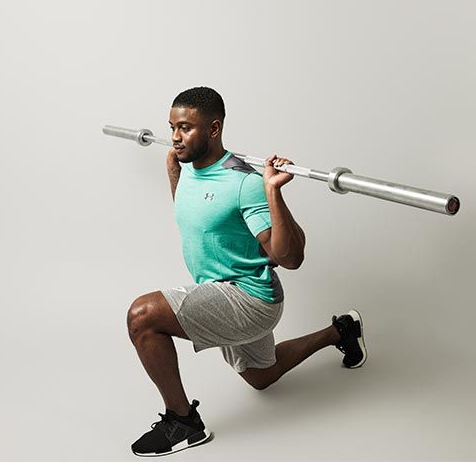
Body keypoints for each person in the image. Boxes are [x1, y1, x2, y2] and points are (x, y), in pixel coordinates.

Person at [125, 87, 366, 457]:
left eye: (186, 128)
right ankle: (341, 330)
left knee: (142, 316)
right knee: (262, 378)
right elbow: (195, 218)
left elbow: (292, 258)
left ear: (214, 129)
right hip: (222, 291)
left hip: (249, 298)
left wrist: (272, 191)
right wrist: (173, 174)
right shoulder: (186, 166)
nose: (175, 137)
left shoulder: (244, 183)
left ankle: (184, 422)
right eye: (172, 127)